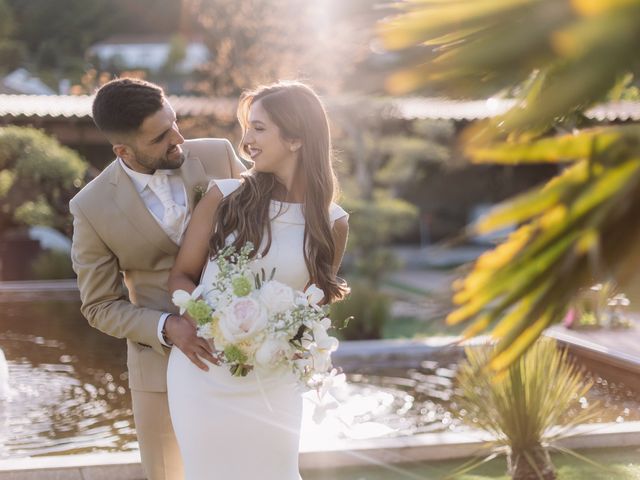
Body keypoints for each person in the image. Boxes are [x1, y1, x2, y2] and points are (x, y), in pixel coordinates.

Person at [167, 81, 350, 479]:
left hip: (275, 381)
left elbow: (313, 303)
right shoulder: (224, 198)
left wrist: (294, 339)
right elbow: (181, 277)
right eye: (247, 127)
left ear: (297, 138)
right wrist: (200, 319)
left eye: (259, 128)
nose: (246, 140)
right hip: (204, 372)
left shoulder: (332, 222)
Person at [70, 77, 246, 480]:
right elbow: (98, 306)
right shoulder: (90, 207)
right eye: (161, 137)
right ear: (123, 151)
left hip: (245, 355)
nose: (179, 138)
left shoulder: (219, 155)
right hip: (160, 371)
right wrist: (169, 327)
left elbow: (273, 214)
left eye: (175, 122)